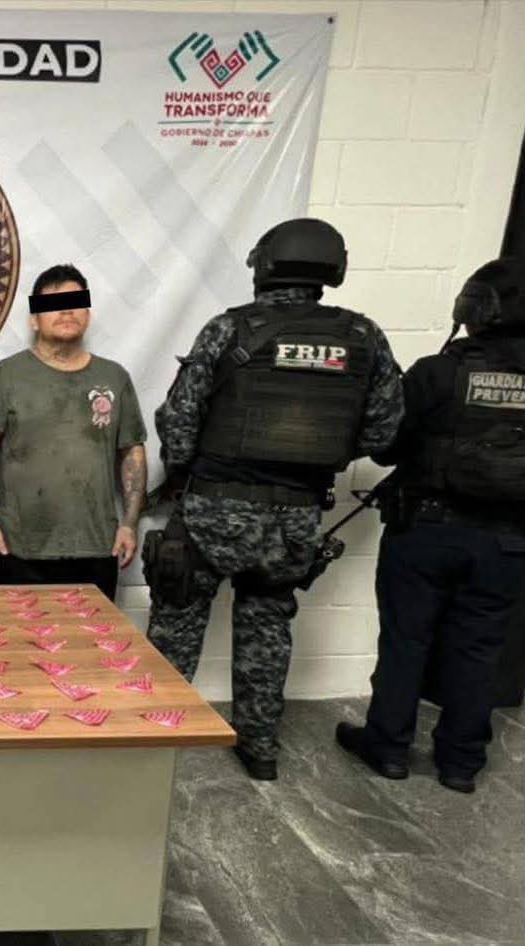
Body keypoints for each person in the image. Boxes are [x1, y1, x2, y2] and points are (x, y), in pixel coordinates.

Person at [336, 258, 525, 794]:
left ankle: (389, 749)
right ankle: (460, 763)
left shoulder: (440, 372)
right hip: (512, 539)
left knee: (406, 641)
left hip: (427, 531)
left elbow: (385, 449)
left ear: (478, 307)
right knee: (479, 648)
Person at [145, 218, 404, 780]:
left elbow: (179, 421)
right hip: (294, 518)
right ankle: (260, 750)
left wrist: (189, 471)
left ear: (265, 266)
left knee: (177, 622)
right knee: (267, 628)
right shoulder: (363, 337)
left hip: (214, 509)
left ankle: (153, 748)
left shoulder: (230, 329)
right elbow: (384, 434)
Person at [0, 264, 146, 602]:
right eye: (53, 304)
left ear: (87, 314)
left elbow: (132, 453)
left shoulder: (114, 378)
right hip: (17, 549)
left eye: (75, 303)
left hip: (97, 548)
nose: (66, 311)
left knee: (94, 638)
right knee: (16, 637)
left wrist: (129, 523)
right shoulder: (5, 376)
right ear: (34, 319)